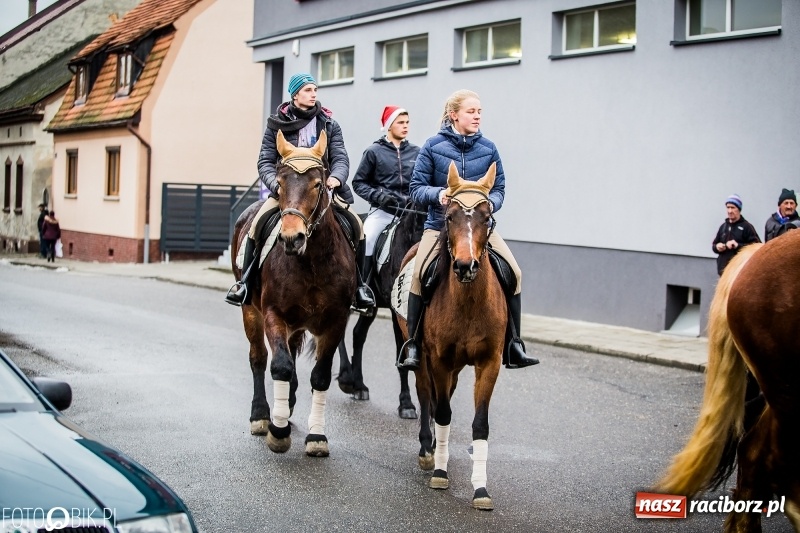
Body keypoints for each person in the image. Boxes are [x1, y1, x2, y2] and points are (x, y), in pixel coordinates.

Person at [398, 89, 539, 371]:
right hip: (440, 227)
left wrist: (490, 204)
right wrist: (438, 194)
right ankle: (412, 344)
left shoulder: (488, 148)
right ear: (454, 115)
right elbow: (416, 188)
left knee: (515, 273)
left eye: (479, 112)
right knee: (417, 275)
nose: (477, 117)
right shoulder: (432, 146)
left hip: (479, 229)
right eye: (471, 112)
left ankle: (514, 345)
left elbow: (499, 188)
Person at [225, 73, 375, 310]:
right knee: (256, 225)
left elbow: (340, 157)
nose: (313, 94)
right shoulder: (276, 124)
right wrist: (276, 186)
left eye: (315, 89)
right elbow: (265, 161)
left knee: (357, 226)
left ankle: (360, 287)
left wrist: (336, 177)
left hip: (320, 191)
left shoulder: (329, 124)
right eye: (307, 90)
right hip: (286, 192)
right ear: (295, 95)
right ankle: (245, 282)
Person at [351, 105, 420, 288]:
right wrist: (378, 197)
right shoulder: (373, 152)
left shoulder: (417, 152)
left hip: (411, 214)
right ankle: (362, 288)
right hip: (384, 212)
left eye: (407, 122)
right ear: (389, 126)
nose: (405, 126)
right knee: (368, 238)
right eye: (400, 123)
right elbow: (358, 183)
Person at [712, 194, 760, 275]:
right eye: (728, 207)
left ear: (739, 209)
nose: (730, 211)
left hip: (739, 273)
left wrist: (737, 245)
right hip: (723, 273)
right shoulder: (723, 226)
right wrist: (717, 247)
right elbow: (714, 245)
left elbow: (756, 247)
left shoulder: (747, 227)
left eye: (733, 207)